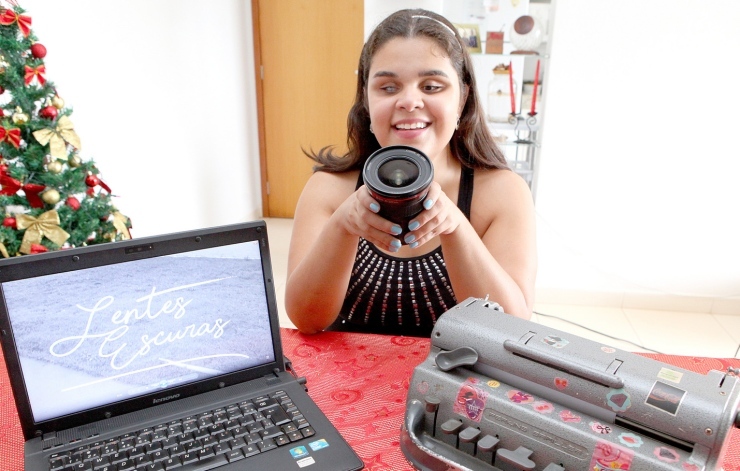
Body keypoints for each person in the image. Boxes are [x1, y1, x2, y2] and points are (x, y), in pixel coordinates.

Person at [285, 9, 536, 337]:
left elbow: (510, 330)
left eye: (431, 86)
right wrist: (343, 226)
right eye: (388, 88)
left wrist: (455, 225)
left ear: (462, 98)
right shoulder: (328, 189)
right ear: (366, 100)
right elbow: (306, 320)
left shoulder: (503, 191)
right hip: (348, 385)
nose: (409, 101)